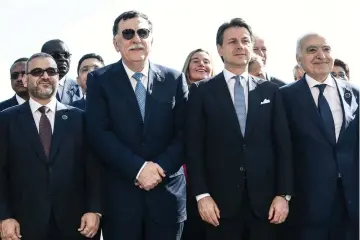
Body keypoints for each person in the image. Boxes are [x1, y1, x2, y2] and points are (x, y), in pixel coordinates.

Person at [185, 17, 293, 240]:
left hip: (266, 206)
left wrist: (284, 194)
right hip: (218, 206)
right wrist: (201, 194)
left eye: (245, 40)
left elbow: (283, 146)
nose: (240, 46)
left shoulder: (271, 91)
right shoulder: (201, 92)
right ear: (220, 49)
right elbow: (193, 148)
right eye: (232, 41)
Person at [85, 10, 187, 240]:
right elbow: (99, 133)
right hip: (121, 201)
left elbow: (185, 133)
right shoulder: (99, 80)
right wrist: (139, 169)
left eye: (143, 32)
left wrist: (159, 168)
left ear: (152, 38)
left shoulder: (174, 79)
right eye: (128, 33)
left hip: (167, 199)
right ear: (116, 43)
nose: (136, 39)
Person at [0, 53, 102, 240]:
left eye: (51, 71)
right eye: (37, 72)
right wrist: (4, 216)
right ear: (26, 77)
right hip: (23, 226)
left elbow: (93, 168)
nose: (45, 76)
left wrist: (95, 210)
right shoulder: (5, 120)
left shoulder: (80, 119)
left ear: (57, 76)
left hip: (77, 224)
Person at [280, 33, 359, 240]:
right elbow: (282, 149)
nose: (321, 55)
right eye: (312, 50)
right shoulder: (284, 96)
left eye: (326, 49)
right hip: (307, 204)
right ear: (299, 59)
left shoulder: (354, 93)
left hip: (351, 203)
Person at [181, 48, 215, 240]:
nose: (201, 64)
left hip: (216, 179)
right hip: (184, 180)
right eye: (196, 61)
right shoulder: (178, 98)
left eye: (206, 61)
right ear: (187, 68)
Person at [41, 39, 83, 104]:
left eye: (66, 55)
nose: (63, 59)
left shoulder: (80, 88)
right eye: (56, 55)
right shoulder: (33, 87)